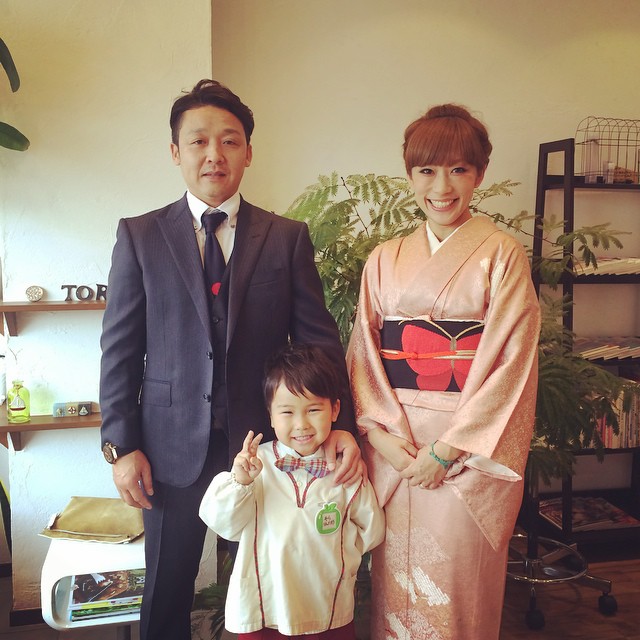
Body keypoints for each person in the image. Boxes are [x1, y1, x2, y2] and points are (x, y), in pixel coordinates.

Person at [99, 79, 362, 640]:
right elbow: (119, 349)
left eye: (229, 141)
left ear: (248, 152)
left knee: (264, 585)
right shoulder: (140, 236)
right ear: (176, 152)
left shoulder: (286, 237)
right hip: (168, 449)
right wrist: (121, 446)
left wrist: (341, 426)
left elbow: (318, 342)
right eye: (198, 141)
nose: (214, 154)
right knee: (166, 588)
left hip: (269, 449)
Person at [346, 104, 541, 639]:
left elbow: (512, 364)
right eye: (427, 170)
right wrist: (383, 441)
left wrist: (446, 451)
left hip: (466, 452)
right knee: (395, 581)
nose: (442, 186)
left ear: (480, 174)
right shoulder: (384, 259)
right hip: (398, 448)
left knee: (457, 584)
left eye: (458, 169)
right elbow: (364, 355)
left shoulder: (502, 255)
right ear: (410, 175)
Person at [199, 343, 385, 639]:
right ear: (271, 415)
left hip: (328, 607)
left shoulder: (346, 469)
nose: (301, 424)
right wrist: (241, 482)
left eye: (314, 410)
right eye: (287, 412)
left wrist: (339, 557)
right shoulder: (255, 465)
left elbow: (371, 529)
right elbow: (223, 524)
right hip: (263, 609)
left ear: (335, 409)